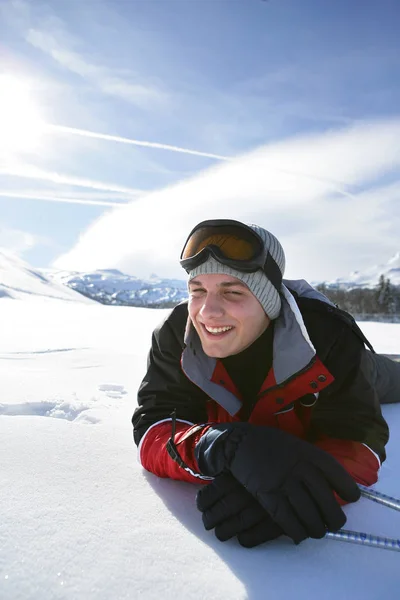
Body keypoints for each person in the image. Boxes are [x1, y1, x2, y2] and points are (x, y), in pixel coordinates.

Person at [132, 219, 395, 548]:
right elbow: (154, 424)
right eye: (197, 291)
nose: (207, 312)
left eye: (232, 292)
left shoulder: (329, 338)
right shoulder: (176, 336)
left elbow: (361, 440)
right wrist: (216, 444)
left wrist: (296, 489)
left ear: (268, 301)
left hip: (358, 366)